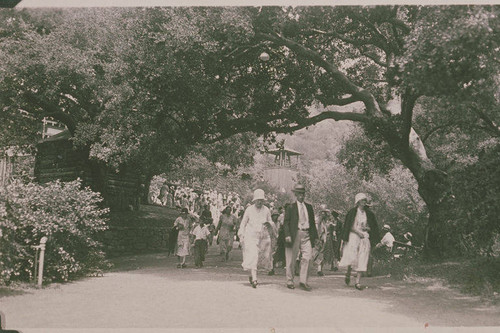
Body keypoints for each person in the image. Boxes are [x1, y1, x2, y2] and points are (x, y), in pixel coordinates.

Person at [339, 193, 380, 290]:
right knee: (352, 256)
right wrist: (358, 232)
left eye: (365, 201)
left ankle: (357, 282)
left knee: (363, 257)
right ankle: (348, 271)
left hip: (364, 236)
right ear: (358, 202)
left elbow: (372, 227)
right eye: (362, 200)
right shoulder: (352, 212)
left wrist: (367, 228)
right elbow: (350, 226)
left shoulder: (369, 214)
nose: (364, 202)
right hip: (354, 235)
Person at [283, 184, 318, 291]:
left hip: (307, 234)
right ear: (296, 194)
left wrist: (315, 237)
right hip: (295, 234)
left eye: (303, 194)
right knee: (291, 259)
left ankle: (303, 281)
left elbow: (312, 223)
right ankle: (290, 280)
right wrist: (287, 235)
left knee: (308, 257)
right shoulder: (290, 207)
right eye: (299, 194)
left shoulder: (309, 207)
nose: (301, 196)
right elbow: (286, 223)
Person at [237, 189, 274, 288]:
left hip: (262, 236)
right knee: (253, 256)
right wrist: (241, 234)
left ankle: (251, 274)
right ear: (254, 200)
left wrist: (269, 224)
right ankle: (254, 279)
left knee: (260, 258)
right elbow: (243, 223)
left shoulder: (266, 210)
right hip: (251, 236)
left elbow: (271, 221)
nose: (259, 202)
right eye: (258, 200)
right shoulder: (249, 210)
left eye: (261, 200)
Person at [314, 204, 335, 276]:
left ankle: (320, 269)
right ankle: (319, 268)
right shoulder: (318, 221)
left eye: (324, 212)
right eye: (322, 212)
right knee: (319, 253)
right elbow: (318, 229)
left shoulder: (327, 221)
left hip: (326, 238)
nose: (323, 214)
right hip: (320, 238)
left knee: (323, 253)